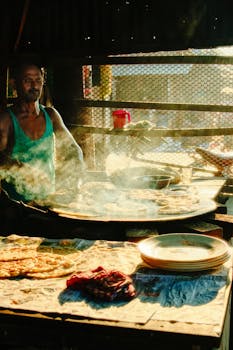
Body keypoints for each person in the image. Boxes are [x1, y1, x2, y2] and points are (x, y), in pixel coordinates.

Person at [0, 62, 85, 204]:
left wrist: (76, 179)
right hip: (16, 205)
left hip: (48, 199)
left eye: (38, 80)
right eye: (28, 81)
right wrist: (21, 168)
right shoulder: (6, 119)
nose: (34, 86)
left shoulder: (51, 115)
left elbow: (74, 149)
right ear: (14, 84)